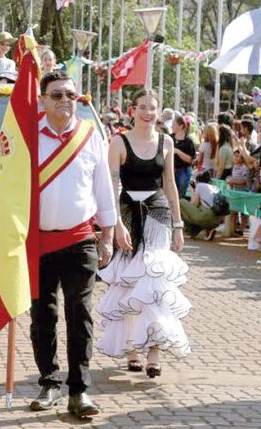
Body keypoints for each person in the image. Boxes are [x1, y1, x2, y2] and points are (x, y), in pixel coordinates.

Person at [28, 71, 115, 419]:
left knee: (80, 316)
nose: (66, 100)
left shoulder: (91, 135)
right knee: (42, 317)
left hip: (80, 239)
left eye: (72, 95)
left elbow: (104, 188)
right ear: (43, 99)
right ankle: (49, 382)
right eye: (58, 94)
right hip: (38, 242)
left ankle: (80, 391)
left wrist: (107, 233)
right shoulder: (27, 137)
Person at [97, 89, 189, 377]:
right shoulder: (118, 142)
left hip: (158, 213)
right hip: (126, 212)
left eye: (153, 108)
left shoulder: (166, 142)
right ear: (132, 110)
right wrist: (116, 225)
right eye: (143, 107)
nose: (148, 113)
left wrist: (178, 224)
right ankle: (132, 349)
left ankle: (154, 351)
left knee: (155, 284)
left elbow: (170, 184)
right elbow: (112, 185)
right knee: (128, 282)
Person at [180, 170, 223, 240]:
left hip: (205, 216)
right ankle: (207, 230)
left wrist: (193, 192)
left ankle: (195, 231)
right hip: (217, 221)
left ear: (197, 181)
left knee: (181, 202)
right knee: (196, 210)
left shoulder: (200, 186)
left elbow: (194, 204)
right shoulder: (215, 188)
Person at [171, 115, 196, 197]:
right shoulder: (169, 138)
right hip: (170, 170)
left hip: (183, 171)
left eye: (174, 124)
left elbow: (190, 160)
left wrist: (178, 152)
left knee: (180, 195)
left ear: (181, 126)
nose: (171, 126)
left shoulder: (188, 141)